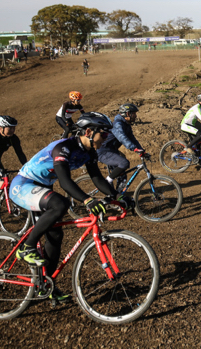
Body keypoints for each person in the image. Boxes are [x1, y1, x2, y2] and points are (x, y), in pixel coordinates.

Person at [10, 112, 124, 302]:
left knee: (55, 236)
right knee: (60, 204)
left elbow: (97, 179)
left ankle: (45, 285)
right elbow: (64, 181)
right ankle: (26, 247)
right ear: (88, 131)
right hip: (23, 185)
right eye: (103, 134)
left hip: (40, 187)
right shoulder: (64, 147)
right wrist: (87, 200)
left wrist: (117, 198)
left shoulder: (90, 152)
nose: (105, 139)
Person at [97, 104, 147, 187]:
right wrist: (134, 148)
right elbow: (122, 137)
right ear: (127, 114)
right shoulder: (118, 124)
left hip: (112, 151)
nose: (136, 116)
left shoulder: (126, 125)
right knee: (124, 163)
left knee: (122, 175)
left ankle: (118, 196)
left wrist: (141, 150)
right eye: (134, 113)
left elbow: (133, 139)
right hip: (103, 151)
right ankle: (106, 183)